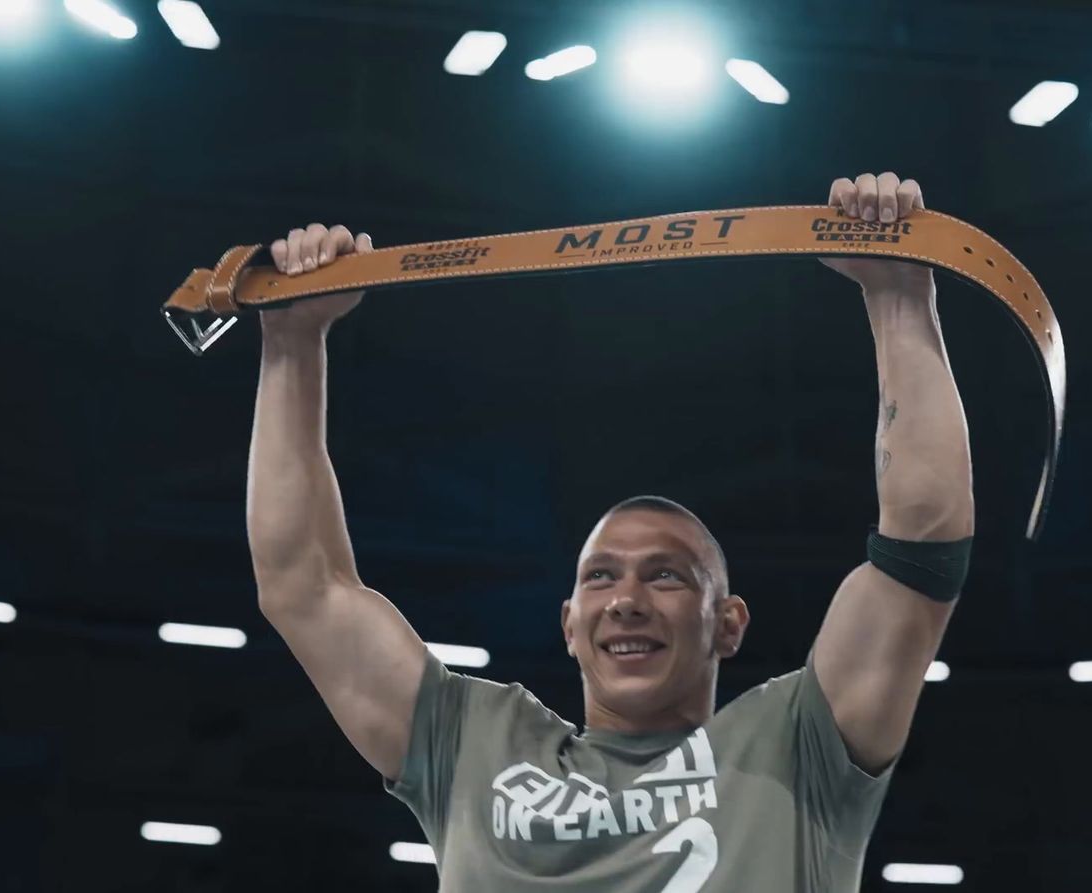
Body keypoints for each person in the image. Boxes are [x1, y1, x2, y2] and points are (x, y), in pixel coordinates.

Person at [248, 172, 974, 892]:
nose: (626, 598)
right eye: (601, 575)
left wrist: (899, 292)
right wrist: (291, 339)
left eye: (666, 574)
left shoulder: (801, 745)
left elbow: (922, 550)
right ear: (569, 622)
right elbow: (304, 588)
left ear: (729, 623)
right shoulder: (471, 743)